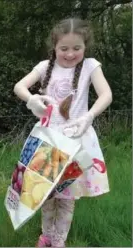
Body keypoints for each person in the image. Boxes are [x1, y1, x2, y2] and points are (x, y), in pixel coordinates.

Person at [13, 18, 112, 247]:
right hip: (47, 139)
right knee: (45, 193)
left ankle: (59, 240)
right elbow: (19, 86)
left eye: (76, 48)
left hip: (75, 139)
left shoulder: (90, 66)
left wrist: (89, 117)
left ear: (85, 47)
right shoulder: (44, 67)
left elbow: (106, 94)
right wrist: (32, 100)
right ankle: (46, 235)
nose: (70, 54)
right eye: (64, 48)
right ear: (54, 47)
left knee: (67, 196)